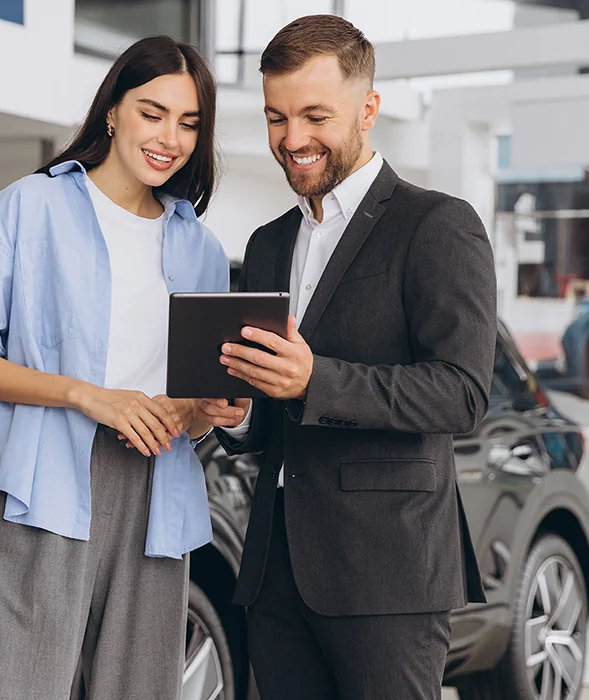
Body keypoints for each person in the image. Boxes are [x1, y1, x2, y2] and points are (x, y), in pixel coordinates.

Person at [196, 15, 496, 700]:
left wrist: (314, 380)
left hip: (387, 570)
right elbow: (272, 419)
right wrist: (240, 415)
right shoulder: (269, 242)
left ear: (367, 109)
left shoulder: (436, 225)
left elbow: (461, 394)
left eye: (313, 116)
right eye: (275, 117)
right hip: (273, 569)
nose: (291, 140)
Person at [0, 36, 229, 700]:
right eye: (152, 112)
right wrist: (87, 396)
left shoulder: (201, 249)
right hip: (43, 479)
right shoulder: (30, 206)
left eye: (189, 123)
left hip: (158, 491)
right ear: (112, 112)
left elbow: (194, 404)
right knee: (12, 685)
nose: (169, 137)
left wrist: (206, 410)